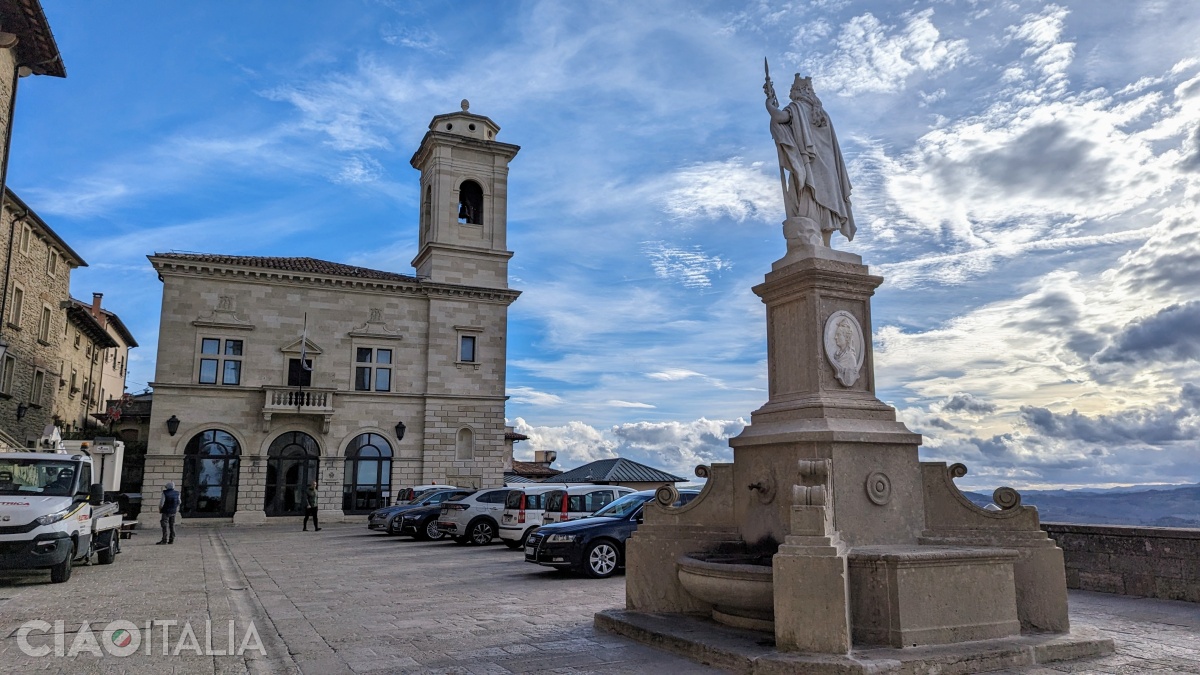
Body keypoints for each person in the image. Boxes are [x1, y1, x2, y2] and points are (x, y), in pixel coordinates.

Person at [765, 74, 856, 247]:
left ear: (799, 91)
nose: (791, 93)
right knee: (826, 203)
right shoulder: (823, 115)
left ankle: (814, 244)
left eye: (793, 90)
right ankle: (826, 245)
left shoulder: (797, 108)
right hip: (829, 168)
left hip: (809, 164)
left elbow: (779, 118)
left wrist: (769, 104)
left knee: (807, 196)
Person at [157, 481, 180, 545]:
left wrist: (160, 510)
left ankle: (164, 540)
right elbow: (179, 502)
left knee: (164, 525)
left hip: (166, 511)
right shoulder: (177, 493)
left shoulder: (165, 493)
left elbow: (161, 503)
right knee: (172, 525)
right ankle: (171, 539)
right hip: (173, 511)